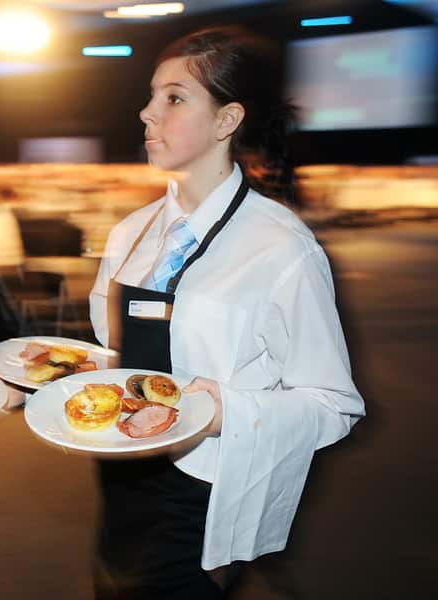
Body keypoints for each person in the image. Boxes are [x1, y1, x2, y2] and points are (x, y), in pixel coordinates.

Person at [86, 25, 365, 599]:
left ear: (226, 120)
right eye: (151, 96)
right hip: (118, 475)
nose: (146, 113)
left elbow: (334, 403)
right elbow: (115, 358)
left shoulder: (281, 247)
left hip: (203, 490)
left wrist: (223, 413)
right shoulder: (129, 234)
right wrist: (36, 384)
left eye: (174, 98)